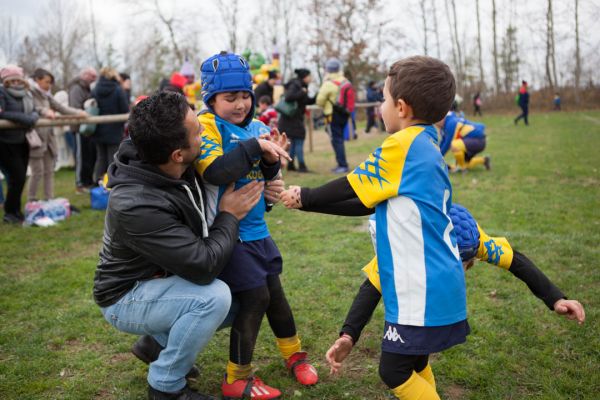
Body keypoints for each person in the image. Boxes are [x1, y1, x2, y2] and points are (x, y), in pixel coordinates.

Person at [281, 56, 467, 400]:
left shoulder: (403, 144)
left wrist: (305, 193)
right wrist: (307, 204)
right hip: (437, 279)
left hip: (420, 287)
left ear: (400, 106)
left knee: (393, 370)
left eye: (382, 99)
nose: (380, 106)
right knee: (412, 363)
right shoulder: (426, 142)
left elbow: (350, 185)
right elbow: (366, 202)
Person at [93, 91, 265, 400]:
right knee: (212, 298)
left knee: (241, 298)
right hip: (125, 295)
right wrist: (229, 215)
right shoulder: (136, 203)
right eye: (198, 132)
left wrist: (268, 177)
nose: (204, 132)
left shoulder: (171, 159)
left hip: (163, 277)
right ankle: (166, 385)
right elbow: (202, 267)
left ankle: (155, 344)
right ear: (177, 154)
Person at [322, 204, 585, 376]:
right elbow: (371, 289)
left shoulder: (476, 240)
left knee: (401, 365)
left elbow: (517, 261)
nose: (464, 271)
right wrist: (349, 335)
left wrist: (556, 299)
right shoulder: (405, 252)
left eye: (466, 266)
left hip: (425, 295)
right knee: (397, 368)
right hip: (402, 254)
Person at [196, 52, 318, 400]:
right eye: (229, 97)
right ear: (211, 99)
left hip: (258, 231)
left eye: (244, 95)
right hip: (226, 234)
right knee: (256, 298)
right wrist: (254, 148)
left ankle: (294, 356)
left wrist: (268, 164)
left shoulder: (259, 128)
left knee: (275, 297)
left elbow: (267, 182)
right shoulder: (207, 126)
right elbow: (215, 171)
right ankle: (237, 377)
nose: (239, 104)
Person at [28, 68, 86, 201]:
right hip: (35, 139)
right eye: (46, 82)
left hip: (48, 139)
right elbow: (31, 108)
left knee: (49, 171)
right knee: (37, 172)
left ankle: (49, 199)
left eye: (50, 82)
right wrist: (44, 111)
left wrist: (78, 112)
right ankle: (32, 201)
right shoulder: (29, 93)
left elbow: (61, 108)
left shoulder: (47, 95)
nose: (49, 85)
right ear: (37, 80)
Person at [0, 65, 40, 224]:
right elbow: (2, 113)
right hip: (5, 141)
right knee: (16, 176)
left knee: (21, 177)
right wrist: (26, 119)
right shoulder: (1, 92)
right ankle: (10, 212)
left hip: (23, 140)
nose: (16, 82)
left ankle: (16, 210)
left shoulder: (27, 94)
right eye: (12, 80)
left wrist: (32, 117)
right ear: (5, 81)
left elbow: (35, 111)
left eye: (18, 79)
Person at [92, 67, 129, 183]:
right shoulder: (118, 89)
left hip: (98, 128)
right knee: (113, 158)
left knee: (100, 157)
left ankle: (97, 182)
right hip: (114, 128)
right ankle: (112, 183)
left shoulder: (95, 89)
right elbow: (124, 109)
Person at [316, 58, 353, 173]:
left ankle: (342, 165)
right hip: (344, 114)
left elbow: (319, 101)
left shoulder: (328, 83)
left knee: (336, 140)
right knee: (340, 139)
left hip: (332, 115)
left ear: (328, 70)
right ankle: (342, 163)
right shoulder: (345, 81)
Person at [278, 68, 315, 173]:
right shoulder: (296, 85)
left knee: (294, 142)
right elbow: (288, 97)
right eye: (309, 76)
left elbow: (306, 101)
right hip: (291, 120)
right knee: (298, 141)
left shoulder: (301, 86)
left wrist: (316, 96)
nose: (310, 78)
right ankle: (302, 166)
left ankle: (291, 165)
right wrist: (302, 92)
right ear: (304, 77)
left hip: (293, 119)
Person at [67, 67, 97, 194]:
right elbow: (75, 106)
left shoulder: (87, 88)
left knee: (89, 157)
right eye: (92, 76)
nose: (94, 79)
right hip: (79, 128)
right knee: (80, 157)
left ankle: (88, 182)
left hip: (88, 128)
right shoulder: (76, 88)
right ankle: (80, 184)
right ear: (85, 75)